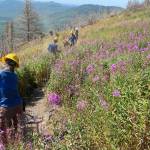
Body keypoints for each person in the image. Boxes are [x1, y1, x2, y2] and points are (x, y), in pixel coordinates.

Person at [0, 53, 23, 144]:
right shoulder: (15, 76)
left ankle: (6, 146)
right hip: (18, 105)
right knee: (17, 127)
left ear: (6, 62)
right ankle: (18, 143)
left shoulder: (1, 74)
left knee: (3, 131)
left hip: (6, 107)